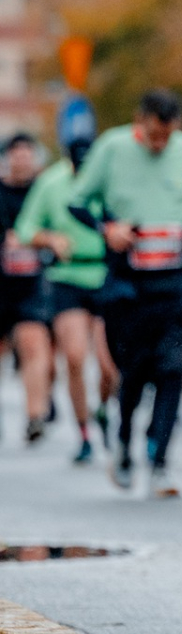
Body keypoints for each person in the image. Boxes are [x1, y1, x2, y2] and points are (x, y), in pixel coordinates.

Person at [67, 89, 182, 498]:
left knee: (172, 369)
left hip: (175, 280)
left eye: (167, 136)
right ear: (141, 121)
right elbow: (78, 202)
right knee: (134, 371)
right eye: (154, 135)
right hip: (128, 284)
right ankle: (122, 442)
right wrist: (107, 228)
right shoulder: (112, 148)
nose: (160, 144)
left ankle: (160, 461)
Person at [16, 134, 117, 464]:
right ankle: (84, 431)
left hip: (104, 275)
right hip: (66, 278)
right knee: (74, 357)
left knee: (109, 365)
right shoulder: (50, 183)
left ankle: (103, 408)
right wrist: (49, 238)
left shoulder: (109, 178)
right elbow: (26, 228)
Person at [0, 132, 54, 442]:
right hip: (2, 280)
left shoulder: (43, 191)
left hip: (33, 281)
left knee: (34, 343)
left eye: (27, 154)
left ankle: (35, 415)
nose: (22, 159)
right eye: (16, 154)